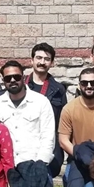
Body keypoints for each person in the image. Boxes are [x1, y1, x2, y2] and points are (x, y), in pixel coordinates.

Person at [26, 43, 68, 176]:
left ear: (52, 63)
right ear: (31, 60)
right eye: (39, 58)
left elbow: (62, 121)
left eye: (47, 59)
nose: (42, 62)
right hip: (24, 145)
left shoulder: (58, 89)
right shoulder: (20, 86)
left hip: (49, 146)